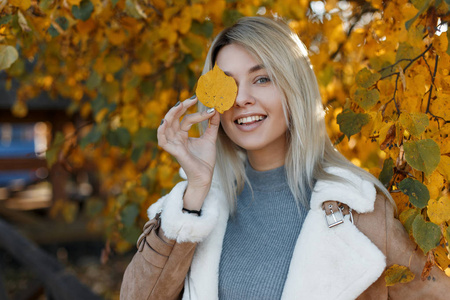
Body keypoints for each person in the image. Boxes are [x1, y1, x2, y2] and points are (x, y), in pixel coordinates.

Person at [120, 16, 450, 299]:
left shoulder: (358, 209)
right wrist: (195, 190)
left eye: (262, 79)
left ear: (295, 88)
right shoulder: (201, 206)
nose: (243, 99)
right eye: (229, 85)